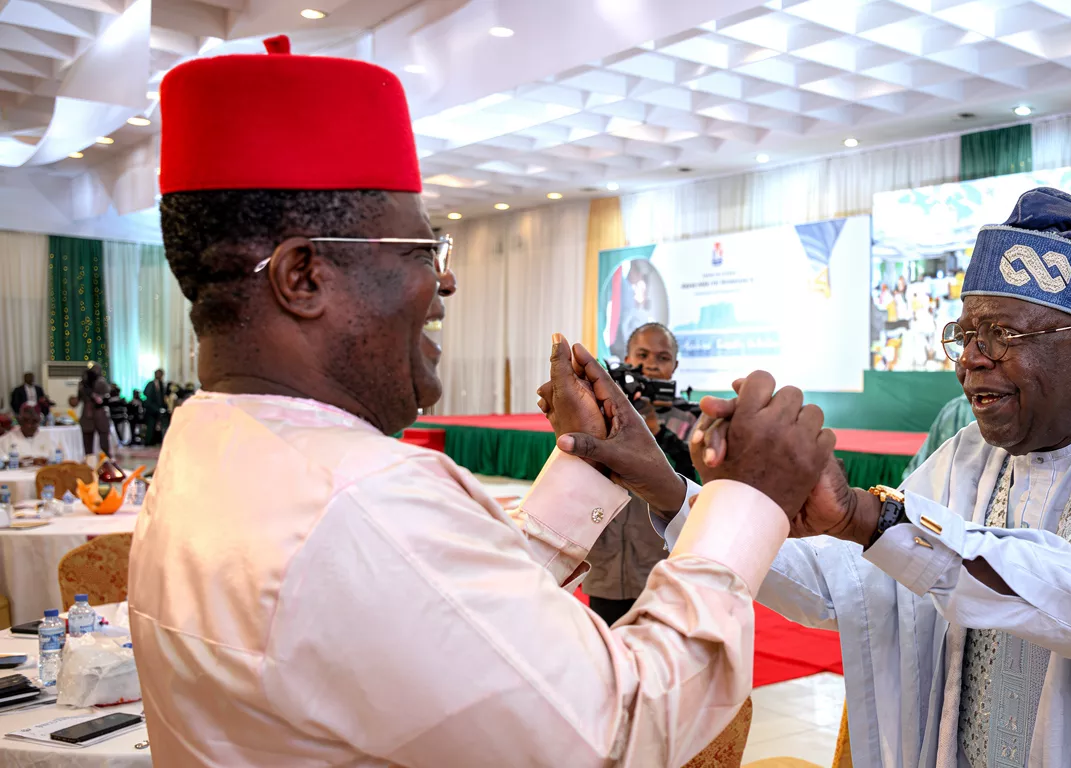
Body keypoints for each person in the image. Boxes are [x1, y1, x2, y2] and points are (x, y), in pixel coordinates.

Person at [128, 36, 835, 767]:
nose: (447, 284)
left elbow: (443, 616)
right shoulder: (363, 500)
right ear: (303, 277)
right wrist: (750, 499)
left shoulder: (209, 451)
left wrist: (589, 463)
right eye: (419, 253)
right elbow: (620, 728)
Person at [564, 188, 1071, 767]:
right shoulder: (968, 455)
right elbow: (842, 590)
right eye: (966, 336)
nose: (972, 362)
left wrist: (872, 520)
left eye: (1003, 337)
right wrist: (667, 487)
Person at [577, 323, 696, 626]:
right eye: (642, 354)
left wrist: (658, 431)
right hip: (608, 559)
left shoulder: (691, 418)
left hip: (663, 561)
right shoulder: (603, 412)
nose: (651, 364)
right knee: (608, 649)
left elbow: (694, 478)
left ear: (675, 366)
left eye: (662, 357)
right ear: (627, 358)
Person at [77, 363, 111, 457]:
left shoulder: (101, 382)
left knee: (104, 443)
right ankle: (90, 462)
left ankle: (105, 461)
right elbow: (78, 399)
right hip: (88, 415)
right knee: (88, 444)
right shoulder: (83, 384)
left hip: (99, 414)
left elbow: (106, 397)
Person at [143, 369, 170, 445]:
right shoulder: (151, 384)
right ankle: (149, 442)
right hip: (151, 409)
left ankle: (156, 441)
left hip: (159, 409)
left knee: (159, 426)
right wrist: (156, 408)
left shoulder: (161, 384)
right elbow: (148, 397)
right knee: (151, 426)